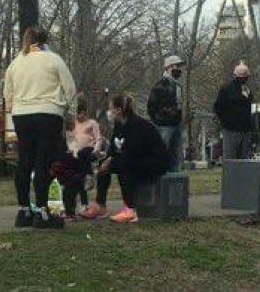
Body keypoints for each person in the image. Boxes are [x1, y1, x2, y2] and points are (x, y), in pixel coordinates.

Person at [3, 26, 76, 229]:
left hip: (21, 114)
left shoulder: (16, 63)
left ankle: (23, 210)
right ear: (45, 41)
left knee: (25, 161)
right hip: (48, 113)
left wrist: (13, 108)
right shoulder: (53, 59)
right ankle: (43, 211)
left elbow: (7, 93)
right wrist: (70, 112)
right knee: (43, 162)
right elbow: (70, 88)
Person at [81, 94, 170, 223]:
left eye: (111, 108)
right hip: (134, 159)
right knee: (105, 164)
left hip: (154, 162)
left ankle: (130, 209)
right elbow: (114, 147)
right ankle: (100, 205)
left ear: (119, 110)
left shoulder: (137, 125)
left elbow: (132, 152)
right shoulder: (119, 125)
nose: (109, 112)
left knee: (124, 164)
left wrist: (113, 160)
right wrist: (107, 160)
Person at [147, 55, 185, 172]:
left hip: (176, 124)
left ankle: (173, 182)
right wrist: (160, 121)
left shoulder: (177, 85)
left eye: (180, 67)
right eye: (176, 66)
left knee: (175, 154)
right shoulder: (161, 85)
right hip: (164, 126)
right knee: (163, 153)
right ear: (168, 68)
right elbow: (151, 106)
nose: (179, 69)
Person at [213, 62, 255, 160]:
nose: (243, 78)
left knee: (245, 159)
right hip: (230, 130)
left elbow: (250, 106)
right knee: (230, 159)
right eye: (241, 75)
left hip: (246, 130)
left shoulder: (247, 90)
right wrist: (225, 122)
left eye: (245, 75)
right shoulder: (226, 89)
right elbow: (218, 107)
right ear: (235, 75)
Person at [70, 99, 103, 212]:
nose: (79, 115)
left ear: (85, 112)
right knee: (80, 177)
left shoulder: (92, 123)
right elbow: (72, 140)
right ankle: (83, 203)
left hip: (90, 151)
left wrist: (96, 150)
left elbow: (98, 138)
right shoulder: (74, 124)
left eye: (80, 113)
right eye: (76, 113)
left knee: (83, 154)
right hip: (77, 155)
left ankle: (89, 174)